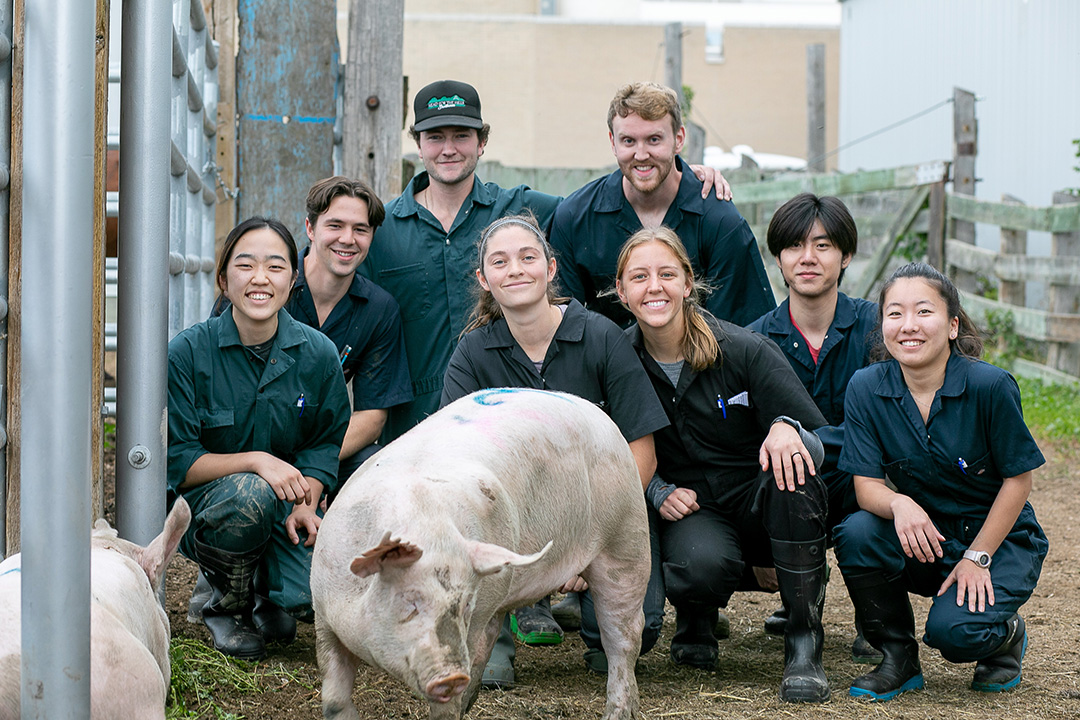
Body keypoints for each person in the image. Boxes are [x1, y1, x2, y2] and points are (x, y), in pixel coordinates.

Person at [364, 79, 731, 442]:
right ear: (417, 144)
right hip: (412, 431)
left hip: (505, 431)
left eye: (461, 135)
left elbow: (604, 203)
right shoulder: (381, 231)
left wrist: (681, 175)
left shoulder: (524, 208)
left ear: (482, 142)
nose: (448, 149)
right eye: (435, 137)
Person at [441, 212, 669, 688]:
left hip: (598, 516)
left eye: (528, 257)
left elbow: (640, 451)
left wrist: (584, 541)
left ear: (550, 267)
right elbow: (454, 461)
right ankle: (492, 636)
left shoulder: (601, 336)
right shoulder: (473, 354)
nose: (516, 270)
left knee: (639, 632)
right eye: (500, 262)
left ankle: (591, 625)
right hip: (511, 519)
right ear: (484, 279)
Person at [614, 226, 832, 703]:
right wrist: (656, 490)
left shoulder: (743, 348)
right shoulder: (617, 361)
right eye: (640, 277)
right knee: (699, 567)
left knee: (794, 476)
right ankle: (696, 616)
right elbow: (607, 451)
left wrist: (787, 429)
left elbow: (824, 437)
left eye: (667, 274)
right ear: (622, 292)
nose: (655, 287)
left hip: (760, 494)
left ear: (688, 284)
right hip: (692, 507)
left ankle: (803, 641)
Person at [832, 262, 1047, 701]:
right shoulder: (866, 388)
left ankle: (1004, 635)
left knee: (956, 635)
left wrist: (978, 557)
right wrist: (900, 505)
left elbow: (1018, 481)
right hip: (925, 537)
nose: (908, 326)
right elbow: (866, 486)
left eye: (923, 312)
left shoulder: (990, 386)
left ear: (951, 325)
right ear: (883, 326)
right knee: (856, 532)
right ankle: (898, 658)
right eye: (894, 314)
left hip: (996, 541)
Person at [168, 217, 350, 660]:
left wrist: (308, 502)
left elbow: (324, 441)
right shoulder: (189, 353)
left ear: (293, 278)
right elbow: (181, 461)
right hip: (211, 507)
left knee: (310, 597)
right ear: (224, 278)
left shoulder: (318, 353)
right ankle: (228, 607)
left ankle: (266, 594)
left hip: (284, 503)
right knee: (249, 495)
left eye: (275, 266)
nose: (260, 279)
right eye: (245, 265)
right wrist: (255, 461)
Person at [746, 193, 879, 660]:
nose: (807, 258)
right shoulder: (754, 340)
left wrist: (808, 439)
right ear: (778, 258)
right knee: (785, 478)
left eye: (822, 245)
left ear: (845, 256)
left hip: (864, 476)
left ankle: (876, 611)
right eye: (794, 246)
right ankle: (800, 605)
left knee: (879, 497)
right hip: (786, 485)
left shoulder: (878, 329)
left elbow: (890, 422)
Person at [550, 81, 774, 329]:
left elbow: (748, 334)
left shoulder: (719, 220)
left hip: (701, 362)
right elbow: (563, 328)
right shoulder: (574, 218)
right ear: (613, 142)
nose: (641, 154)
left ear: (679, 139)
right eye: (628, 141)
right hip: (606, 364)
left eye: (654, 139)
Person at [288, 177, 412, 487]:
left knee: (381, 470)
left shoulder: (378, 309)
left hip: (323, 448)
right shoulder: (270, 287)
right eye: (335, 226)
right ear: (310, 228)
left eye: (360, 229)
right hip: (251, 445)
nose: (348, 239)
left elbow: (372, 418)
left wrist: (314, 467)